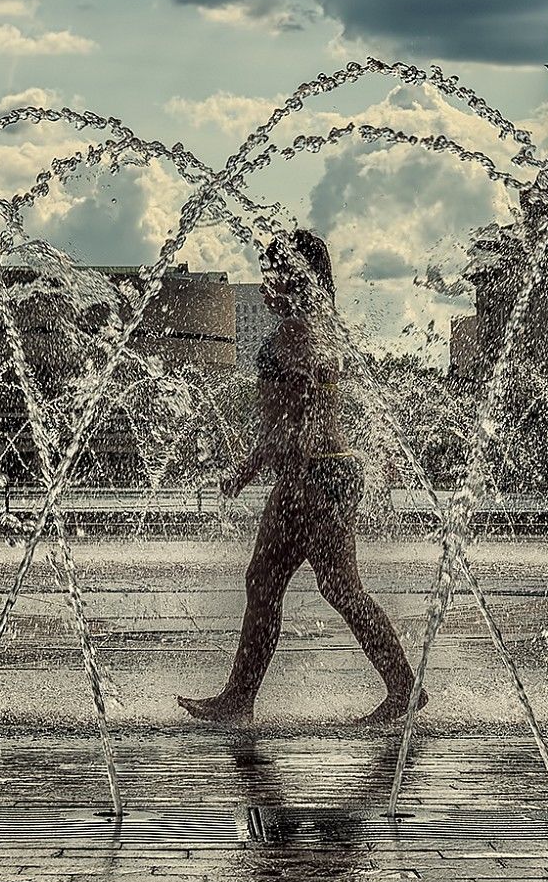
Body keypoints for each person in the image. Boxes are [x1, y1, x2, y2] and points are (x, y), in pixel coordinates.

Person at [179, 229, 419, 725]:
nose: (266, 284)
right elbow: (287, 417)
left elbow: (304, 406)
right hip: (321, 472)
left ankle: (400, 690)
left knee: (318, 587)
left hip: (314, 476)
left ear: (295, 277)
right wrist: (252, 467)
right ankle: (241, 698)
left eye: (275, 273)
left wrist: (294, 459)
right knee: (276, 582)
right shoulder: (314, 326)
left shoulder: (301, 333)